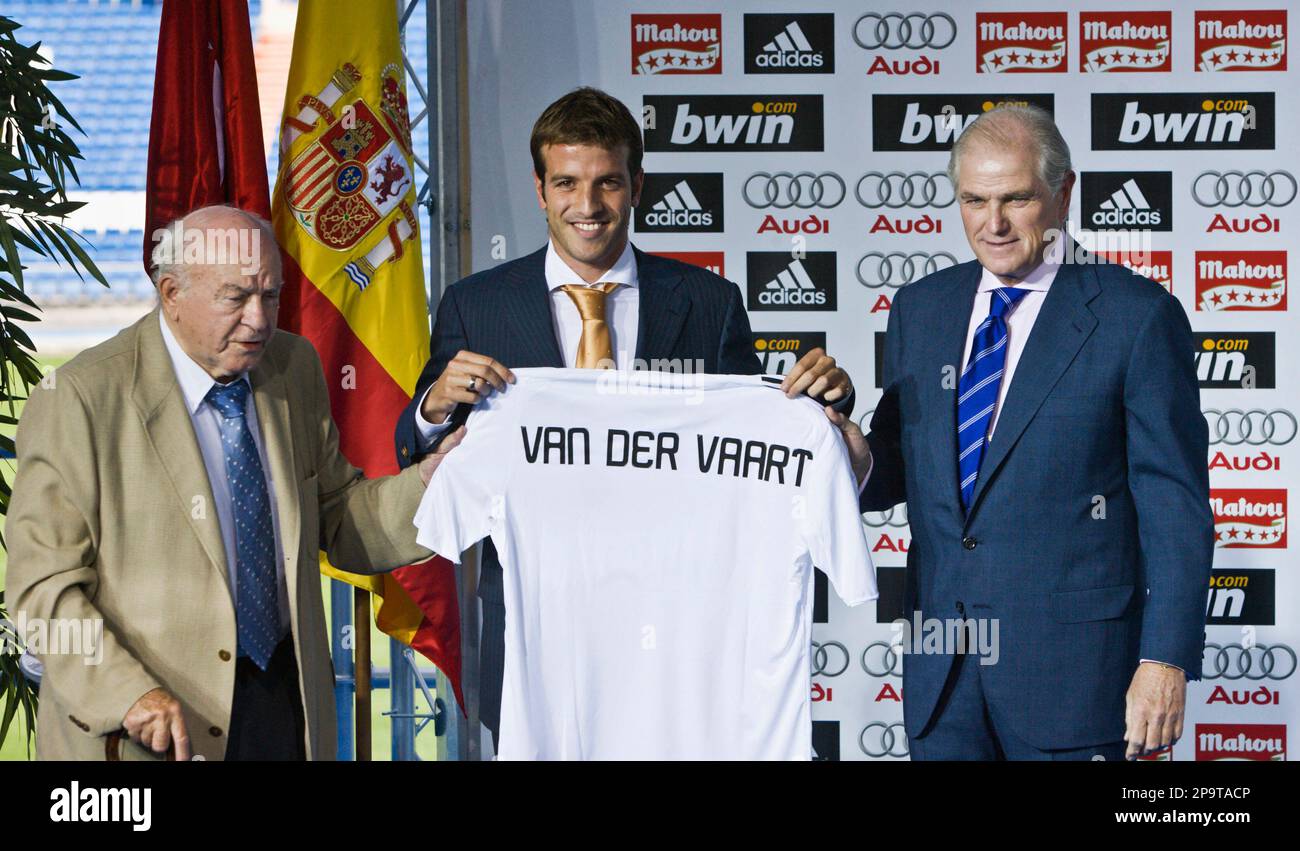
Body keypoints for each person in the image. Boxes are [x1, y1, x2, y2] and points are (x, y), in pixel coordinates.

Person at [393, 87, 856, 747]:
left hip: (682, 644)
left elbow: (753, 448)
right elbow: (414, 458)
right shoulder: (477, 305)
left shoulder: (708, 303)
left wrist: (823, 409)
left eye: (607, 182)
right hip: (537, 644)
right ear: (539, 187)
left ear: (637, 184)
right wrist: (434, 407)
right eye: (567, 183)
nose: (587, 206)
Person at [7, 205, 461, 761]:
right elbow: (41, 590)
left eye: (270, 295)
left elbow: (338, 515)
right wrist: (130, 694)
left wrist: (430, 483)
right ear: (171, 291)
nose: (259, 320)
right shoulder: (81, 398)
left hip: (283, 707)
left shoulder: (292, 366)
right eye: (236, 297)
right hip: (145, 729)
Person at [830, 105, 1213, 760]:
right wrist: (845, 443)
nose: (993, 223)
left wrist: (1164, 661)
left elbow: (1175, 507)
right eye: (974, 200)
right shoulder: (920, 308)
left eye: (1015, 199)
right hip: (943, 678)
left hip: (1077, 683)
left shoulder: (1137, 317)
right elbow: (895, 468)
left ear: (1063, 194)